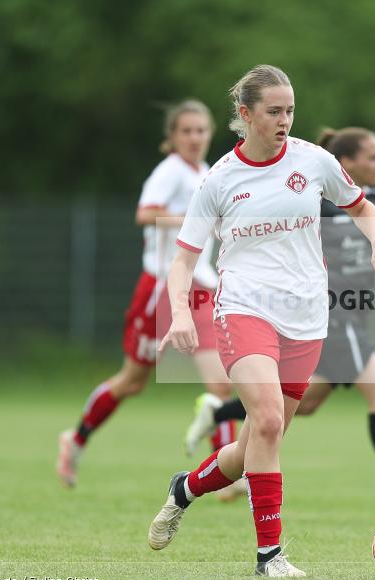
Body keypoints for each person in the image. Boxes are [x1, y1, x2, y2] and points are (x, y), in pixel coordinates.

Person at [146, 65, 375, 577]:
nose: (285, 120)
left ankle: (185, 488)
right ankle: (270, 556)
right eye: (274, 111)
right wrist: (179, 314)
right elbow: (183, 259)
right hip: (243, 306)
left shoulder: (315, 161)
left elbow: (364, 208)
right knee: (264, 420)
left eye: (290, 110)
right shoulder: (218, 179)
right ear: (245, 115)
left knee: (257, 442)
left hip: (307, 316)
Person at [182, 126, 375, 511]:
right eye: (372, 157)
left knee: (303, 404)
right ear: (347, 163)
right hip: (328, 309)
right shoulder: (319, 198)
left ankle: (221, 412)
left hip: (356, 315)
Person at [55, 100, 242, 495]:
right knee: (132, 381)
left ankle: (224, 474)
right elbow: (145, 213)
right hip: (161, 287)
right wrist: (192, 221)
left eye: (201, 130)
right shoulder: (170, 171)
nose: (194, 137)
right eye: (186, 131)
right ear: (172, 137)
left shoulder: (206, 172)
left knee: (221, 383)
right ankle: (76, 438)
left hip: (201, 286)